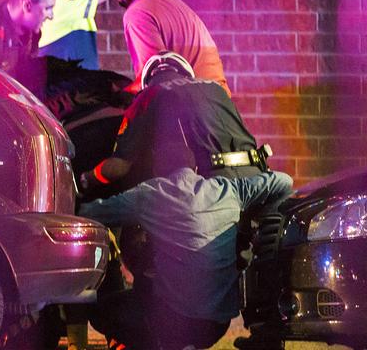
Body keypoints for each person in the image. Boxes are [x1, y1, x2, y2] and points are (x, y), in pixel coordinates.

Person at [78, 51, 293, 350]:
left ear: (149, 78)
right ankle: (266, 334)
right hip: (252, 181)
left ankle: (158, 332)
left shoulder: (151, 95)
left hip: (209, 181)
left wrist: (85, 180)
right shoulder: (216, 90)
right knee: (257, 260)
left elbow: (119, 166)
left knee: (154, 242)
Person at [103, 0, 231, 96]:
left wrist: (111, 98)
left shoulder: (137, 13)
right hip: (217, 102)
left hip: (194, 106)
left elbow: (154, 76)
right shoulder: (170, 1)